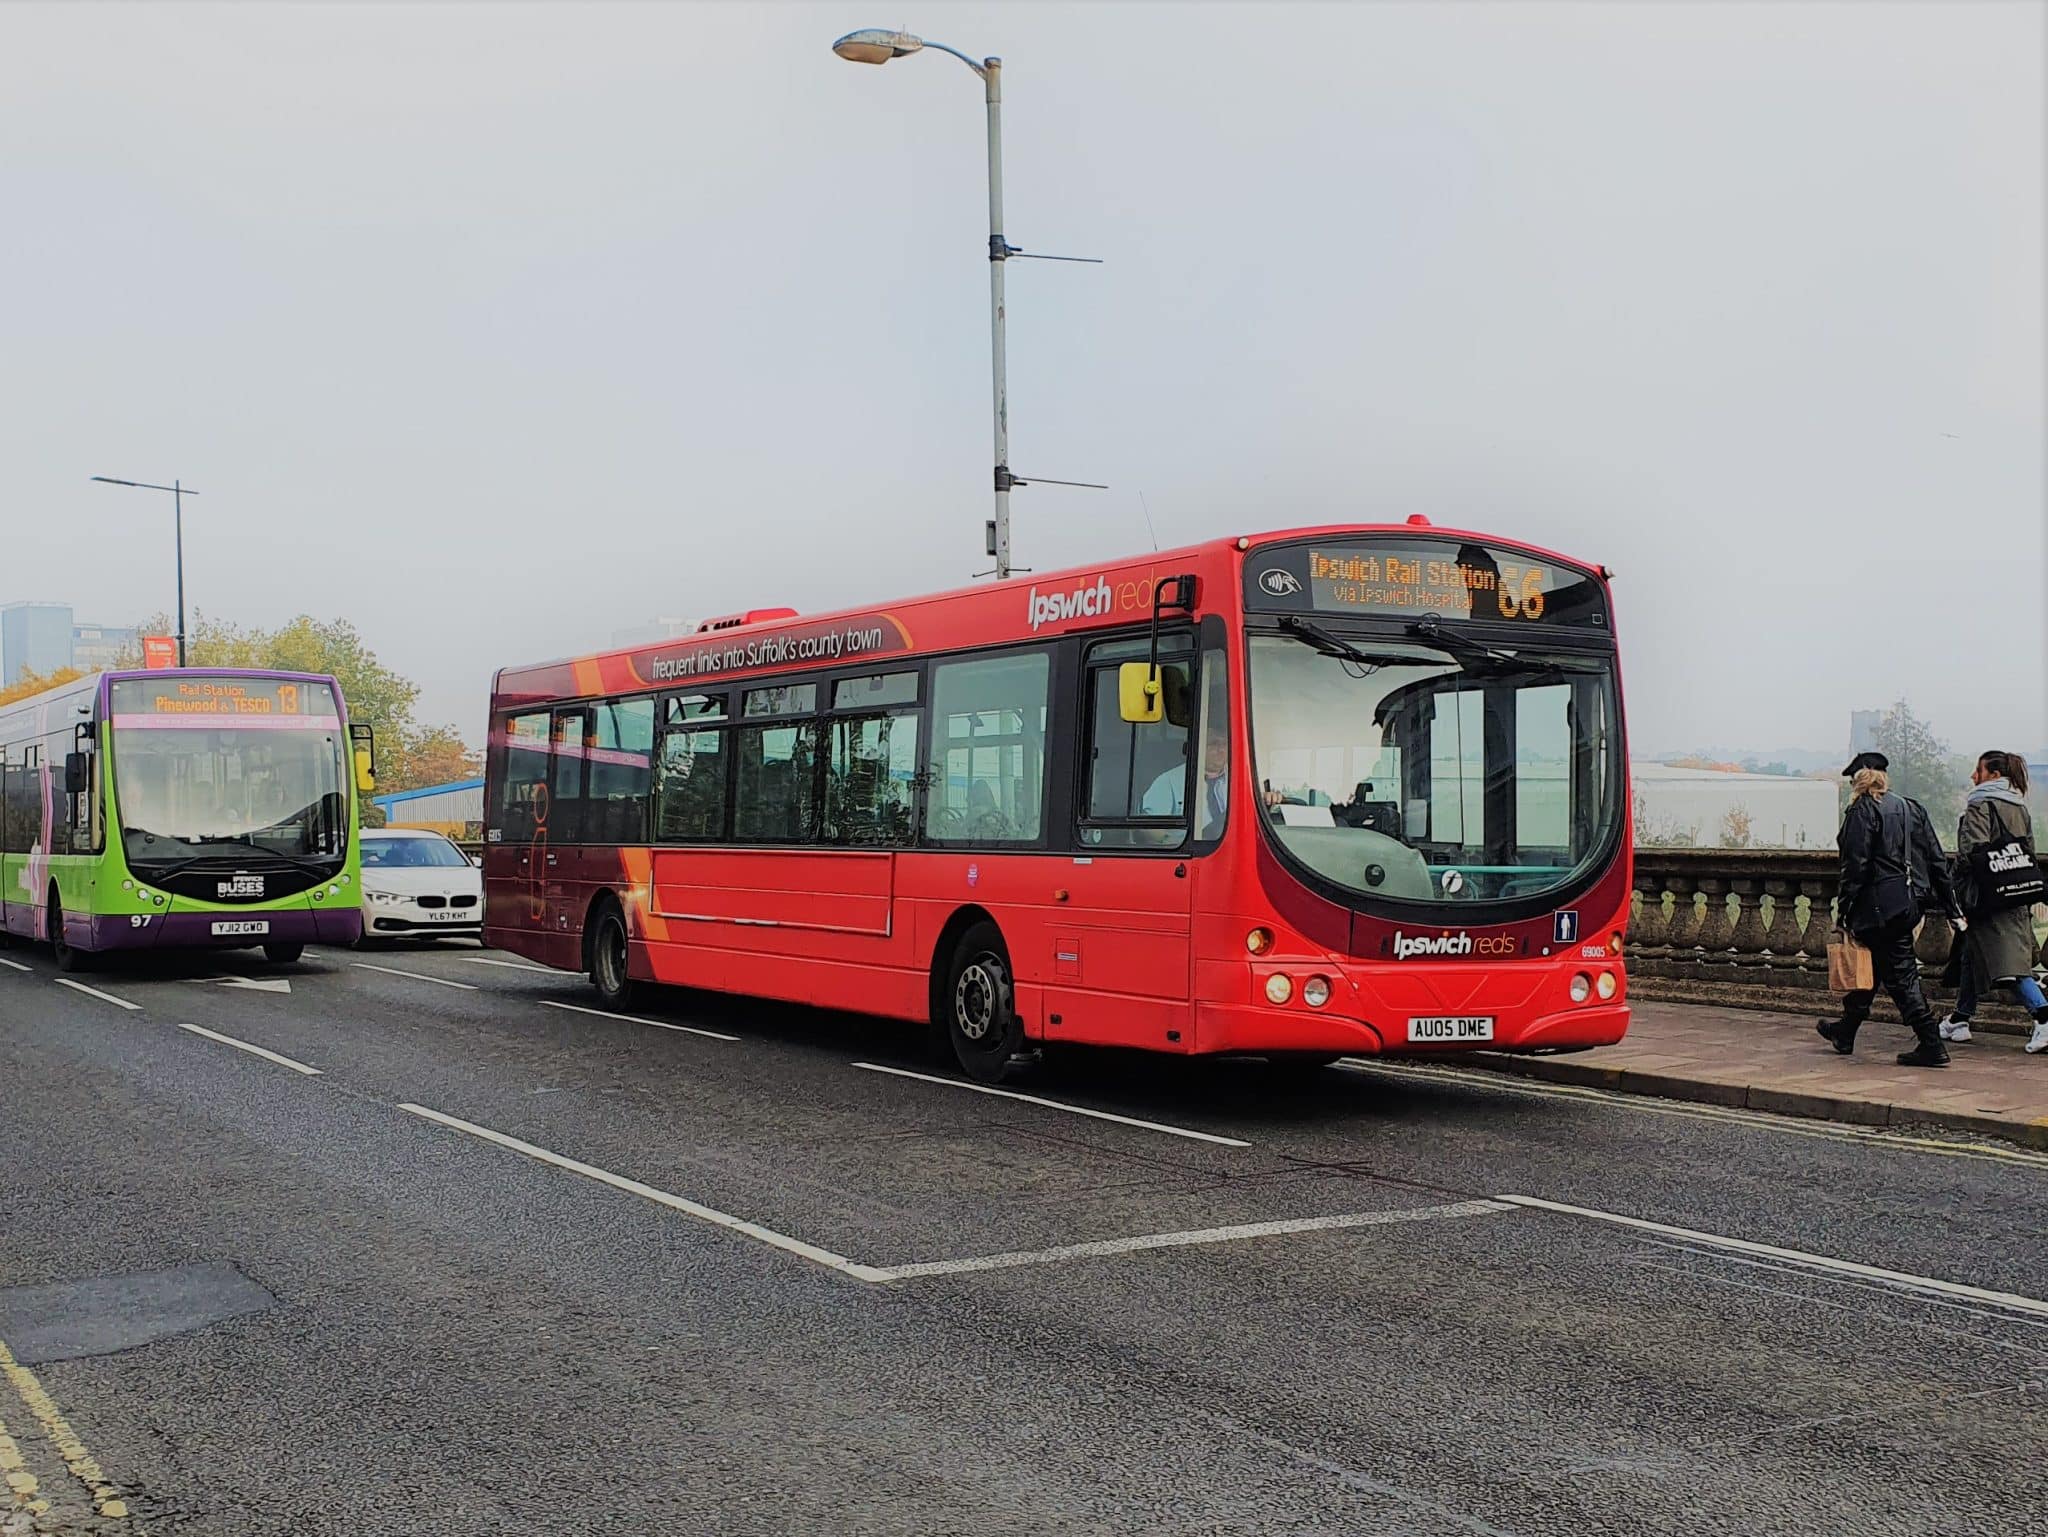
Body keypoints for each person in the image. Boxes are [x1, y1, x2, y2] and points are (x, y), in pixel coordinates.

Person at [1817, 753, 1956, 1067]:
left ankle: (1931, 1044)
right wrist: (1951, 905)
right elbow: (1936, 860)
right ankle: (1846, 1030)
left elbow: (1855, 866)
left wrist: (1845, 910)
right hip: (1907, 904)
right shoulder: (1910, 808)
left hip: (1876, 907)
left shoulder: (1862, 810)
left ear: (1857, 781)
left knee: (1901, 974)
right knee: (1879, 965)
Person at [1937, 751, 2048, 1053]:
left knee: (2007, 965)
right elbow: (2029, 849)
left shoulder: (1980, 804)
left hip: (1987, 895)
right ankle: (1959, 1019)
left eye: (1979, 770)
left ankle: (2043, 1017)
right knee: (1973, 955)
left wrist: (1955, 884)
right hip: (2014, 892)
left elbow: (1971, 850)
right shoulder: (2019, 807)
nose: (1974, 776)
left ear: (1994, 775)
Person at [1144, 727, 1231, 838]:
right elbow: (1149, 828)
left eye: (1224, 744)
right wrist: (1170, 843)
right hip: (1190, 851)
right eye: (1214, 744)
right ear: (1198, 746)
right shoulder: (1168, 781)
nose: (1221, 749)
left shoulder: (1241, 780)